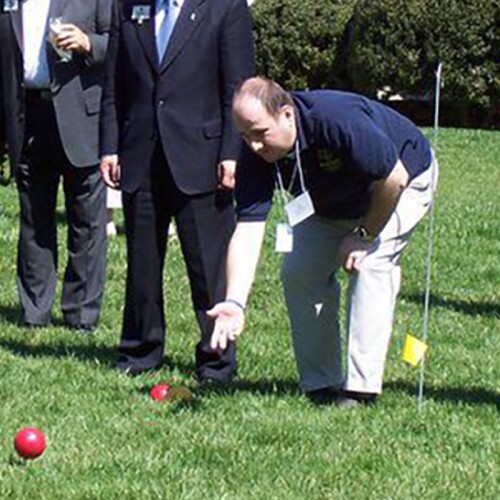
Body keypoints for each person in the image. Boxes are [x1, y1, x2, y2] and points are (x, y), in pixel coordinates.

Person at [209, 77, 439, 406]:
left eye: (261, 134)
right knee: (300, 270)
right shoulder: (255, 154)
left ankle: (361, 389)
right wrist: (234, 303)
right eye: (245, 137)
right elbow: (248, 227)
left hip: (401, 184)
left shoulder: (335, 119)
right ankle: (321, 383)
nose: (254, 146)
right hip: (328, 201)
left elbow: (394, 177)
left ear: (287, 114)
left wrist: (364, 236)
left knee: (371, 263)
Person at [100, 0, 254, 381]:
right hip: (140, 154)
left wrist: (231, 152)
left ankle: (216, 359)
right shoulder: (130, 6)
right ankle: (140, 350)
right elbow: (113, 85)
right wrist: (110, 145)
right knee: (142, 263)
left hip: (202, 157)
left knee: (207, 266)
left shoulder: (225, 8)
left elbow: (238, 86)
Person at [0, 0, 112, 330]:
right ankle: (35, 312)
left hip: (82, 117)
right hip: (27, 117)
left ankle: (80, 315)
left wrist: (88, 43)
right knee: (34, 219)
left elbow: (119, 43)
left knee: (87, 220)